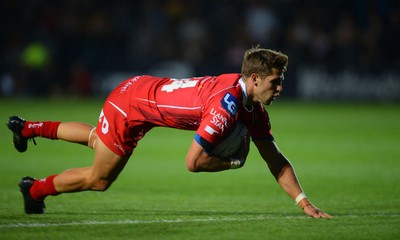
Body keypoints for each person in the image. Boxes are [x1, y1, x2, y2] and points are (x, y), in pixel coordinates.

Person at [7, 46, 332, 218]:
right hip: (131, 104)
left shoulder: (250, 102)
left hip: (141, 90)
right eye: (276, 82)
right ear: (256, 79)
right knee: (99, 179)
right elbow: (193, 162)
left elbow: (275, 159)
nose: (280, 88)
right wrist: (234, 162)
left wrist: (304, 203)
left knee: (97, 139)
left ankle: (27, 128)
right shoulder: (226, 107)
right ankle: (34, 190)